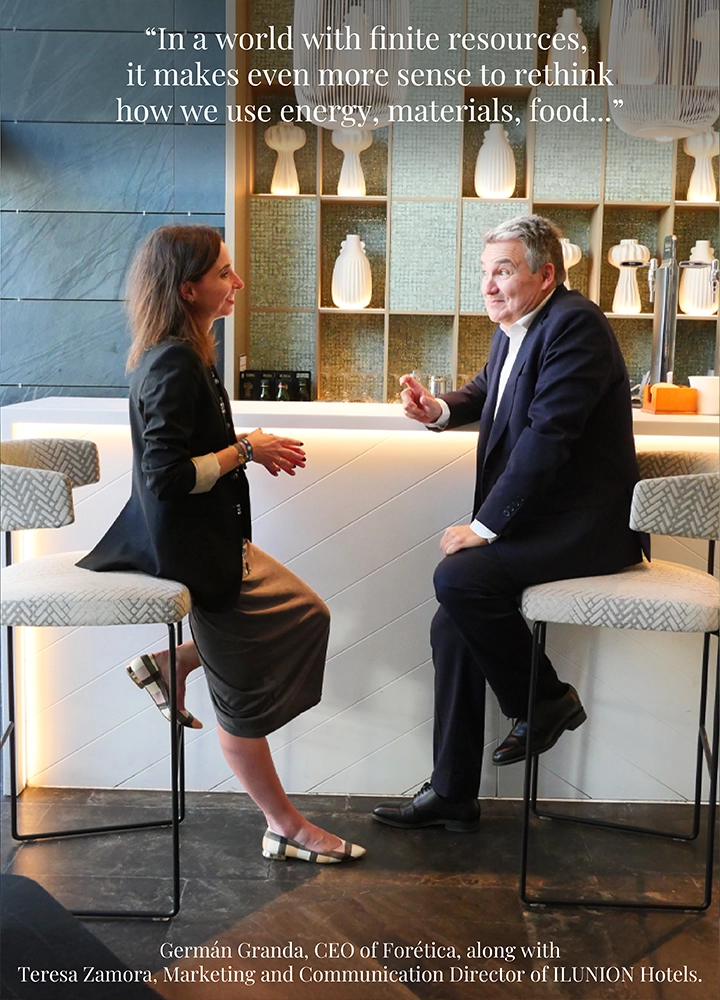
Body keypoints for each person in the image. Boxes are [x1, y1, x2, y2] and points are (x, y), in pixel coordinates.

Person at [79, 224, 364, 864]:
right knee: (241, 706)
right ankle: (284, 826)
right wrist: (246, 451)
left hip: (213, 541)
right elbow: (168, 477)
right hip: (192, 555)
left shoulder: (185, 351)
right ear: (188, 289)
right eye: (224, 274)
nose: (237, 283)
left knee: (306, 613)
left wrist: (243, 454)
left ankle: (174, 663)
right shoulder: (174, 363)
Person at [372, 214, 646, 832]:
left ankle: (545, 700)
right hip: (548, 524)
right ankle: (453, 792)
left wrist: (486, 527)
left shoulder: (576, 324)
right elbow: (487, 392)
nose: (489, 286)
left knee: (461, 581)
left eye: (503, 271)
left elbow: (549, 435)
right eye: (485, 272)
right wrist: (439, 408)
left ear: (545, 273)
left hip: (588, 530)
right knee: (453, 624)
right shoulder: (517, 328)